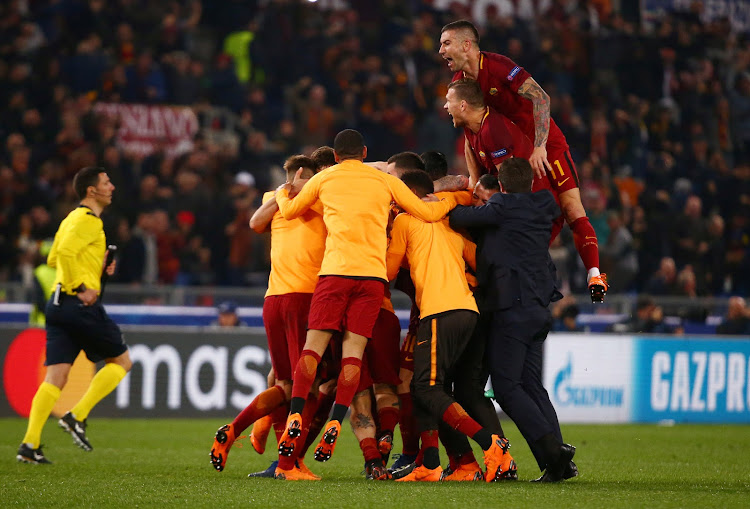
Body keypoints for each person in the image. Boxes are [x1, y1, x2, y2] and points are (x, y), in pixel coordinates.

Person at [273, 129, 457, 466]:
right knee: (353, 356)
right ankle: (335, 419)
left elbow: (290, 211)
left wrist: (284, 192)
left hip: (335, 274)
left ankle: (297, 416)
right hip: (371, 279)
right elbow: (427, 212)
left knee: (312, 348)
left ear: (337, 156)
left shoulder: (325, 178)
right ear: (365, 152)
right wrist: (454, 198)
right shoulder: (384, 182)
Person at [439, 20, 608, 303]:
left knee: (571, 207)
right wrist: (473, 180)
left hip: (543, 145)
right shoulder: (460, 86)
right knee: (517, 215)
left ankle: (594, 273)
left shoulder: (499, 66)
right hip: (510, 151)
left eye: (446, 43)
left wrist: (540, 145)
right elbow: (470, 135)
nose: (440, 49)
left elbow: (541, 97)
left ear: (466, 45)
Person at [449, 158, 576, 482]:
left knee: (506, 389)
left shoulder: (501, 206)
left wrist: (458, 191)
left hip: (513, 309)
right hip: (538, 308)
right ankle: (558, 463)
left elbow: (458, 216)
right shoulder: (543, 204)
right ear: (530, 183)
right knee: (532, 386)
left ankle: (553, 451)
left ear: (501, 187)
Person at [385, 169, 514, 483]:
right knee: (429, 388)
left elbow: (387, 272)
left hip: (440, 311)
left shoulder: (404, 221)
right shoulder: (449, 221)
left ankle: (492, 444)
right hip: (468, 311)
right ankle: (433, 463)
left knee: (426, 388)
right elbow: (478, 261)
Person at [210, 155, 324, 481]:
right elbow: (253, 224)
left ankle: (235, 432)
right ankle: (291, 463)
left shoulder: (272, 200)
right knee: (312, 384)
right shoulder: (316, 196)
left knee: (284, 382)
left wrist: (282, 192)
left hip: (273, 297)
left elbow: (255, 223)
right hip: (305, 297)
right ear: (304, 176)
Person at [16, 166, 132, 464]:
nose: (112, 187)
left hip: (57, 306)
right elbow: (65, 254)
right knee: (121, 361)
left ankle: (30, 444)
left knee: (56, 376)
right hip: (78, 306)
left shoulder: (71, 218)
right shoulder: (89, 222)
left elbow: (54, 256)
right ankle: (76, 416)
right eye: (107, 182)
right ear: (91, 190)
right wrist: (82, 286)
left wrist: (97, 266)